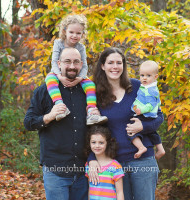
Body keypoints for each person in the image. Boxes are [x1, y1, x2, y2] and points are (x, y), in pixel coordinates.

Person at [88, 47, 164, 200]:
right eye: (110, 63)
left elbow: (158, 116)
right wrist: (91, 159)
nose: (115, 67)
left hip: (143, 161)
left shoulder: (138, 87)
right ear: (102, 66)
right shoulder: (94, 94)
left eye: (119, 62)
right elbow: (90, 131)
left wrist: (143, 126)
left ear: (124, 65)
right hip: (114, 163)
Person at [24, 47, 95, 200]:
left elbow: (97, 129)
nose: (72, 66)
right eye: (67, 61)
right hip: (55, 170)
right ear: (59, 63)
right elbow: (28, 122)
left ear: (82, 64)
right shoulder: (44, 91)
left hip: (83, 171)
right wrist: (49, 116)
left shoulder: (88, 92)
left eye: (76, 62)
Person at [45, 14, 107, 125]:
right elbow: (54, 62)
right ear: (65, 31)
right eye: (71, 32)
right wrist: (59, 76)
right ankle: (59, 105)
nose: (75, 36)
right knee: (49, 79)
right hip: (58, 72)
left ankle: (92, 111)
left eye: (78, 33)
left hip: (77, 75)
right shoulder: (58, 43)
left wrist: (79, 79)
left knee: (90, 85)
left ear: (83, 34)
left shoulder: (81, 47)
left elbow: (84, 66)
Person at [129, 60, 166, 159]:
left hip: (146, 113)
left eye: (148, 76)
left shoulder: (151, 90)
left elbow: (151, 104)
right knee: (152, 132)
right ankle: (161, 149)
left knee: (131, 131)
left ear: (155, 77)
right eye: (142, 75)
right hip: (148, 114)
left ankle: (141, 147)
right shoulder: (146, 86)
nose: (144, 78)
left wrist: (141, 110)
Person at [85, 125, 124, 200]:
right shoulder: (88, 166)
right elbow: (90, 189)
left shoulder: (115, 166)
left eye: (101, 143)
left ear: (107, 143)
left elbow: (120, 193)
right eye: (93, 142)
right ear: (89, 143)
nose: (97, 146)